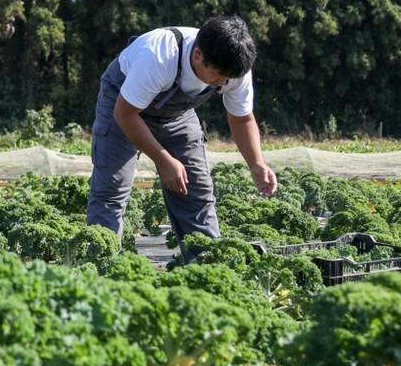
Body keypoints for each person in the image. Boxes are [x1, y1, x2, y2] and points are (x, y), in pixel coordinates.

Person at [87, 14, 277, 248]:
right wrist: (163, 159)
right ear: (198, 55)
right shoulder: (159, 57)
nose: (221, 82)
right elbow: (125, 114)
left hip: (176, 115)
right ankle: (100, 274)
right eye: (217, 75)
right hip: (122, 104)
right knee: (111, 191)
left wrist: (256, 163)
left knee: (196, 193)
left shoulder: (234, 68)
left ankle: (206, 270)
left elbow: (242, 119)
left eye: (227, 78)